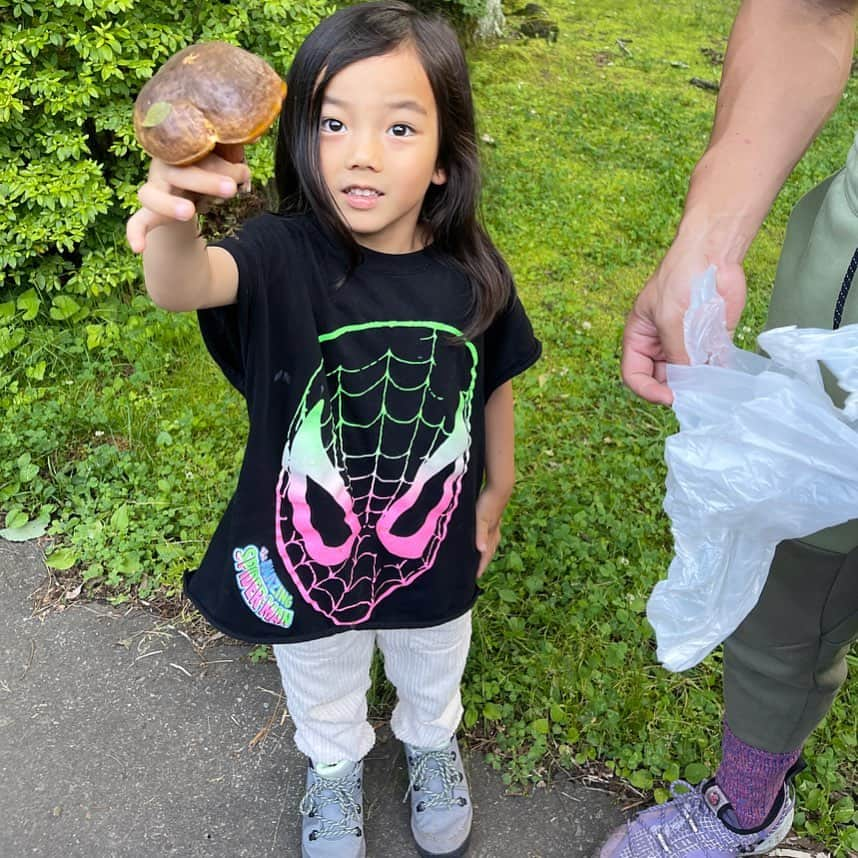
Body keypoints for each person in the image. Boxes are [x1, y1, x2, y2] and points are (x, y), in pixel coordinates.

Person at [126, 3, 541, 856]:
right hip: (306, 539)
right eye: (332, 122)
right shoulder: (279, 253)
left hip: (431, 528)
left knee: (434, 648)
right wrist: (172, 217)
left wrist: (496, 488)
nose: (360, 152)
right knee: (318, 662)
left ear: (442, 159)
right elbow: (183, 285)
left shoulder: (472, 272)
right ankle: (335, 764)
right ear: (301, 139)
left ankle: (431, 745)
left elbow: (491, 383)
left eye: (398, 126)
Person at [602, 0, 858, 856]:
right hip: (839, 346)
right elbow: (808, 11)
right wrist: (705, 248)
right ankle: (747, 808)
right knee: (790, 594)